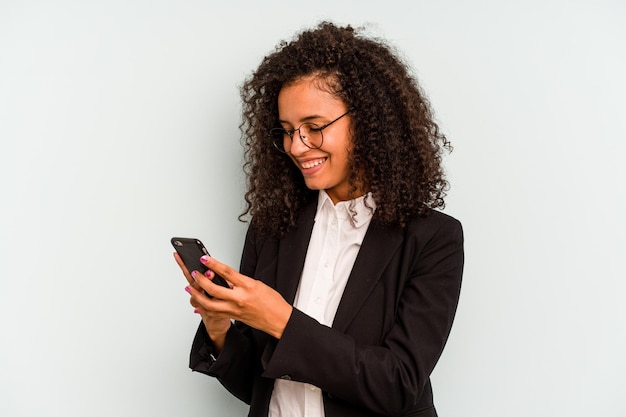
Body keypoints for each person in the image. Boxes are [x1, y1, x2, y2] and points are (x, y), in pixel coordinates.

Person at [174, 21, 464, 417]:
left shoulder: (432, 238)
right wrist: (219, 326)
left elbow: (398, 384)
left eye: (314, 127)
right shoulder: (273, 226)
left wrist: (281, 321)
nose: (296, 146)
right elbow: (258, 388)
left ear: (368, 119)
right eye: (288, 131)